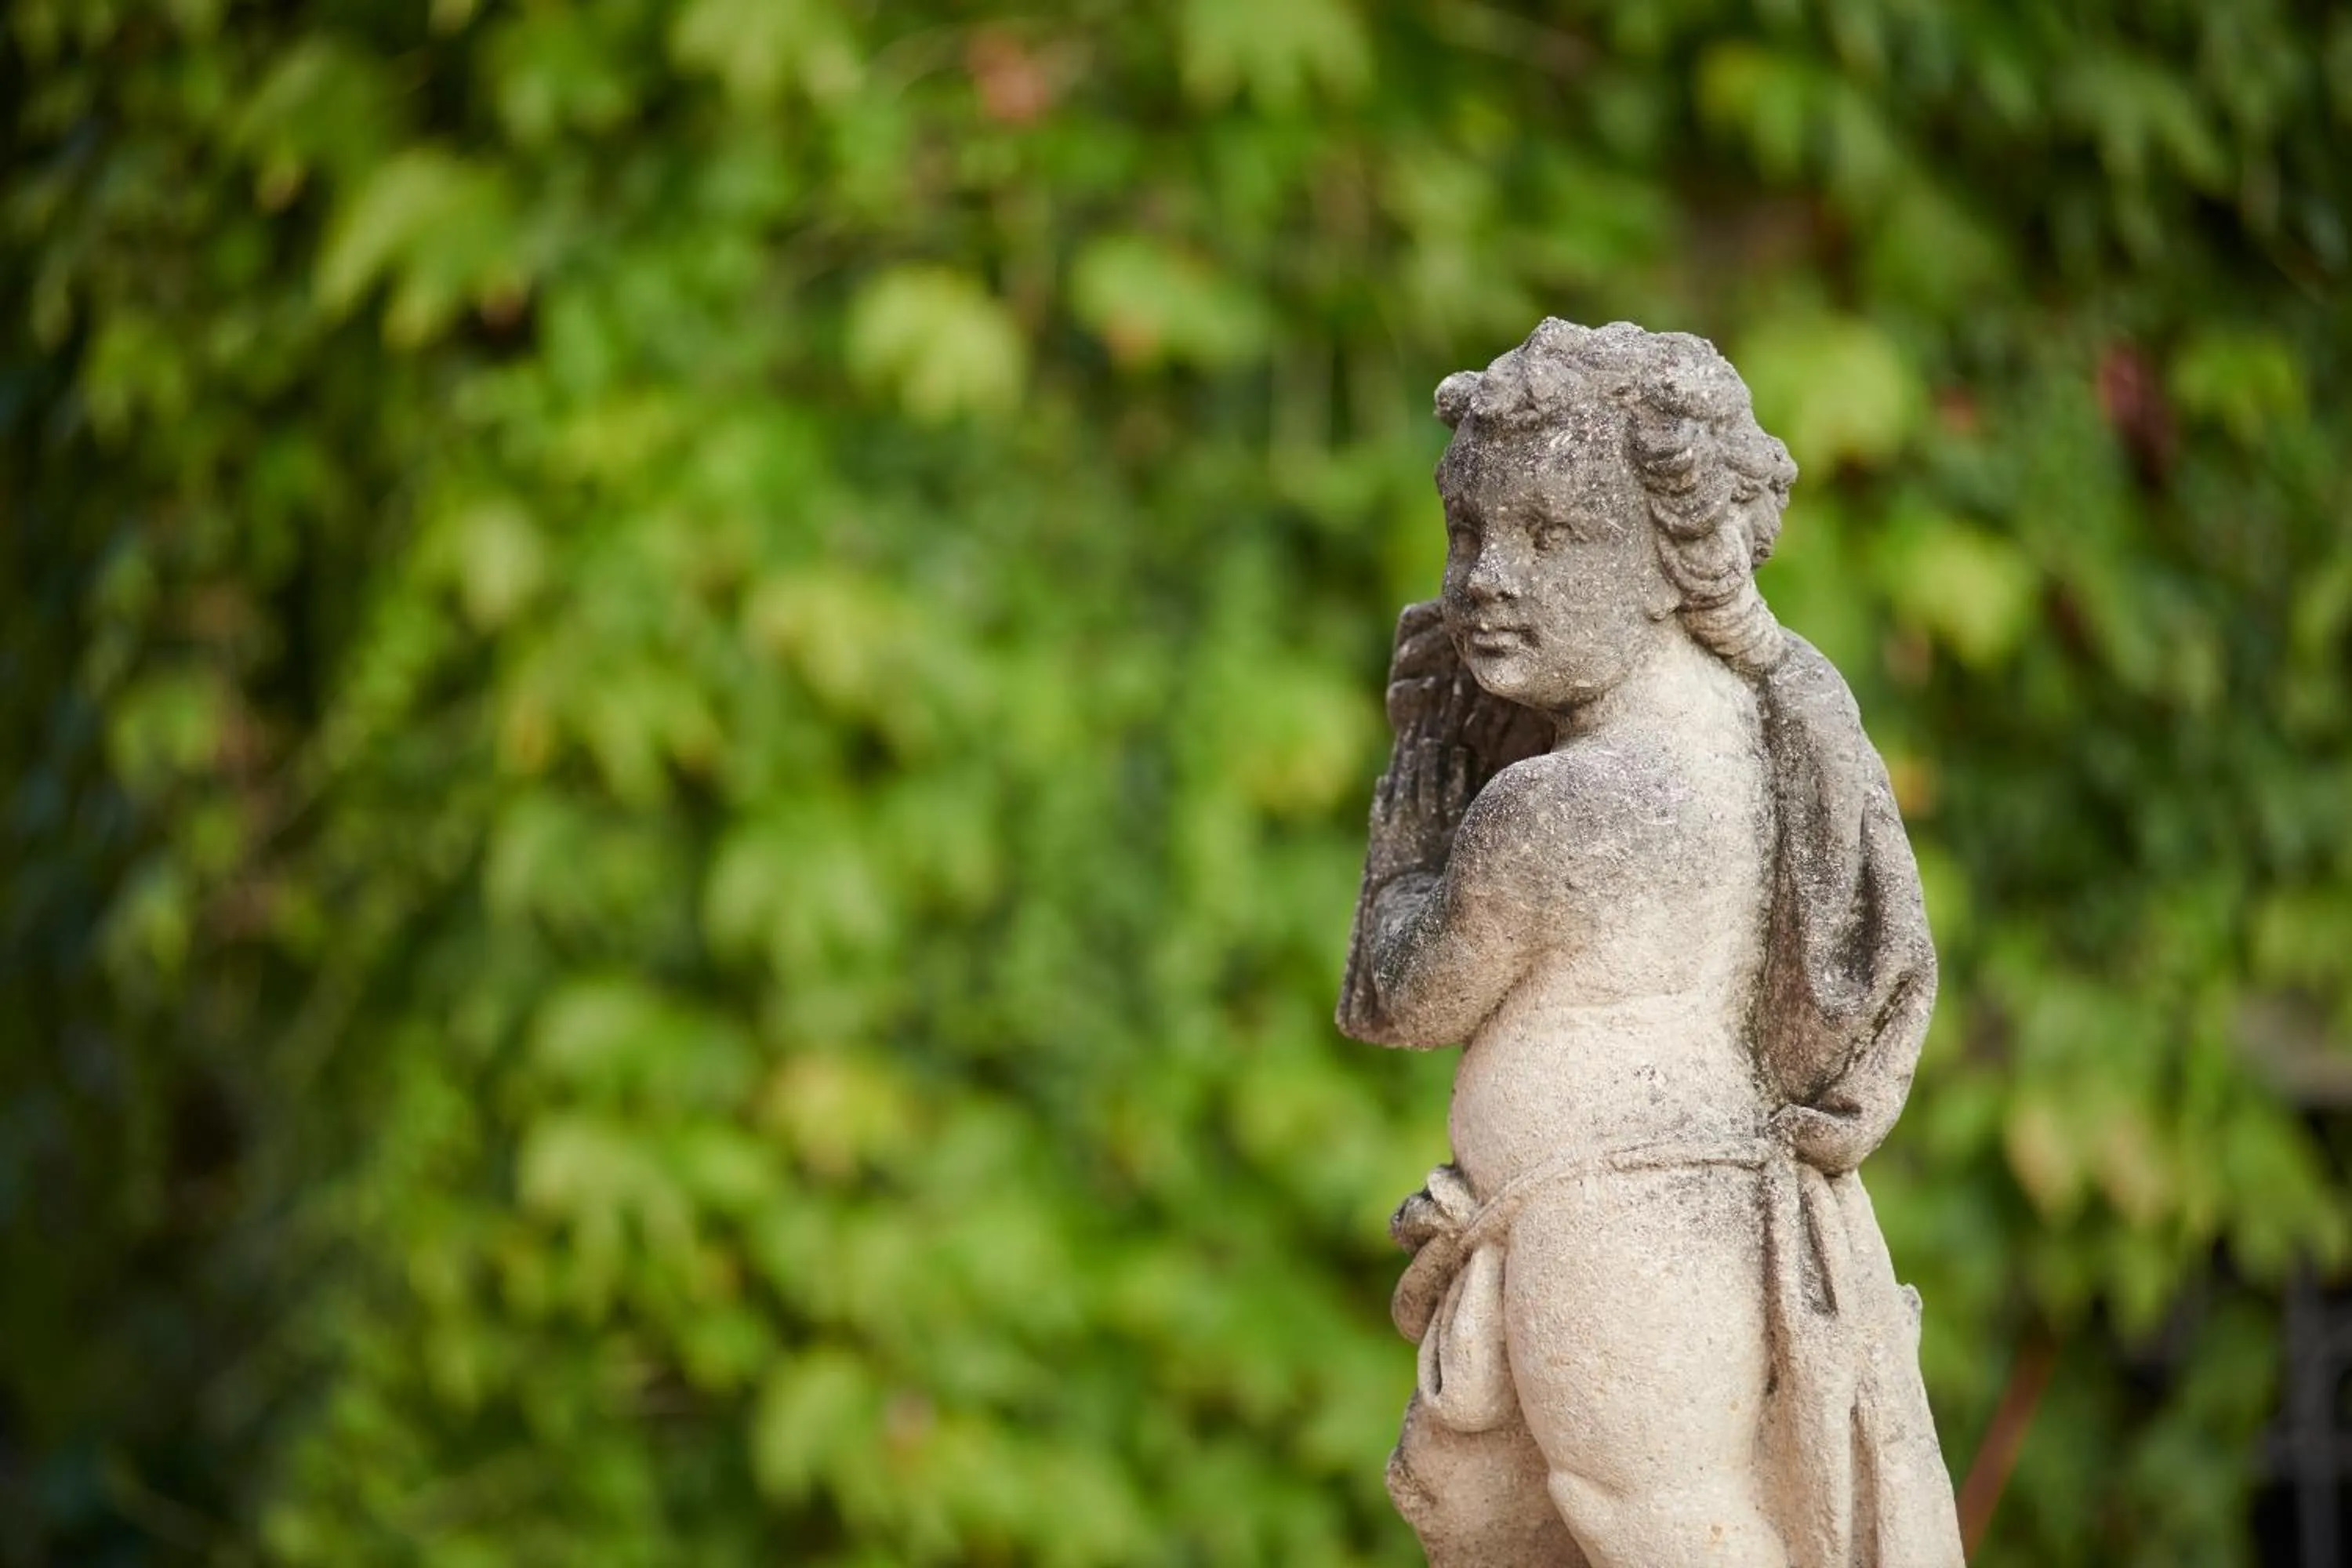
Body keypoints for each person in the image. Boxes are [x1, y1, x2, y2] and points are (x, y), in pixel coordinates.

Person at [1337, 320, 1965, 1568]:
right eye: (1468, 533)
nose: (1487, 578)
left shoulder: (1560, 805)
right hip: (1689, 1205)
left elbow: (1392, 995)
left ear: (1673, 557)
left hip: (1614, 1234)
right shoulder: (1760, 724)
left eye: (1548, 536)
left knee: (1664, 1531)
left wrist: (1424, 768)